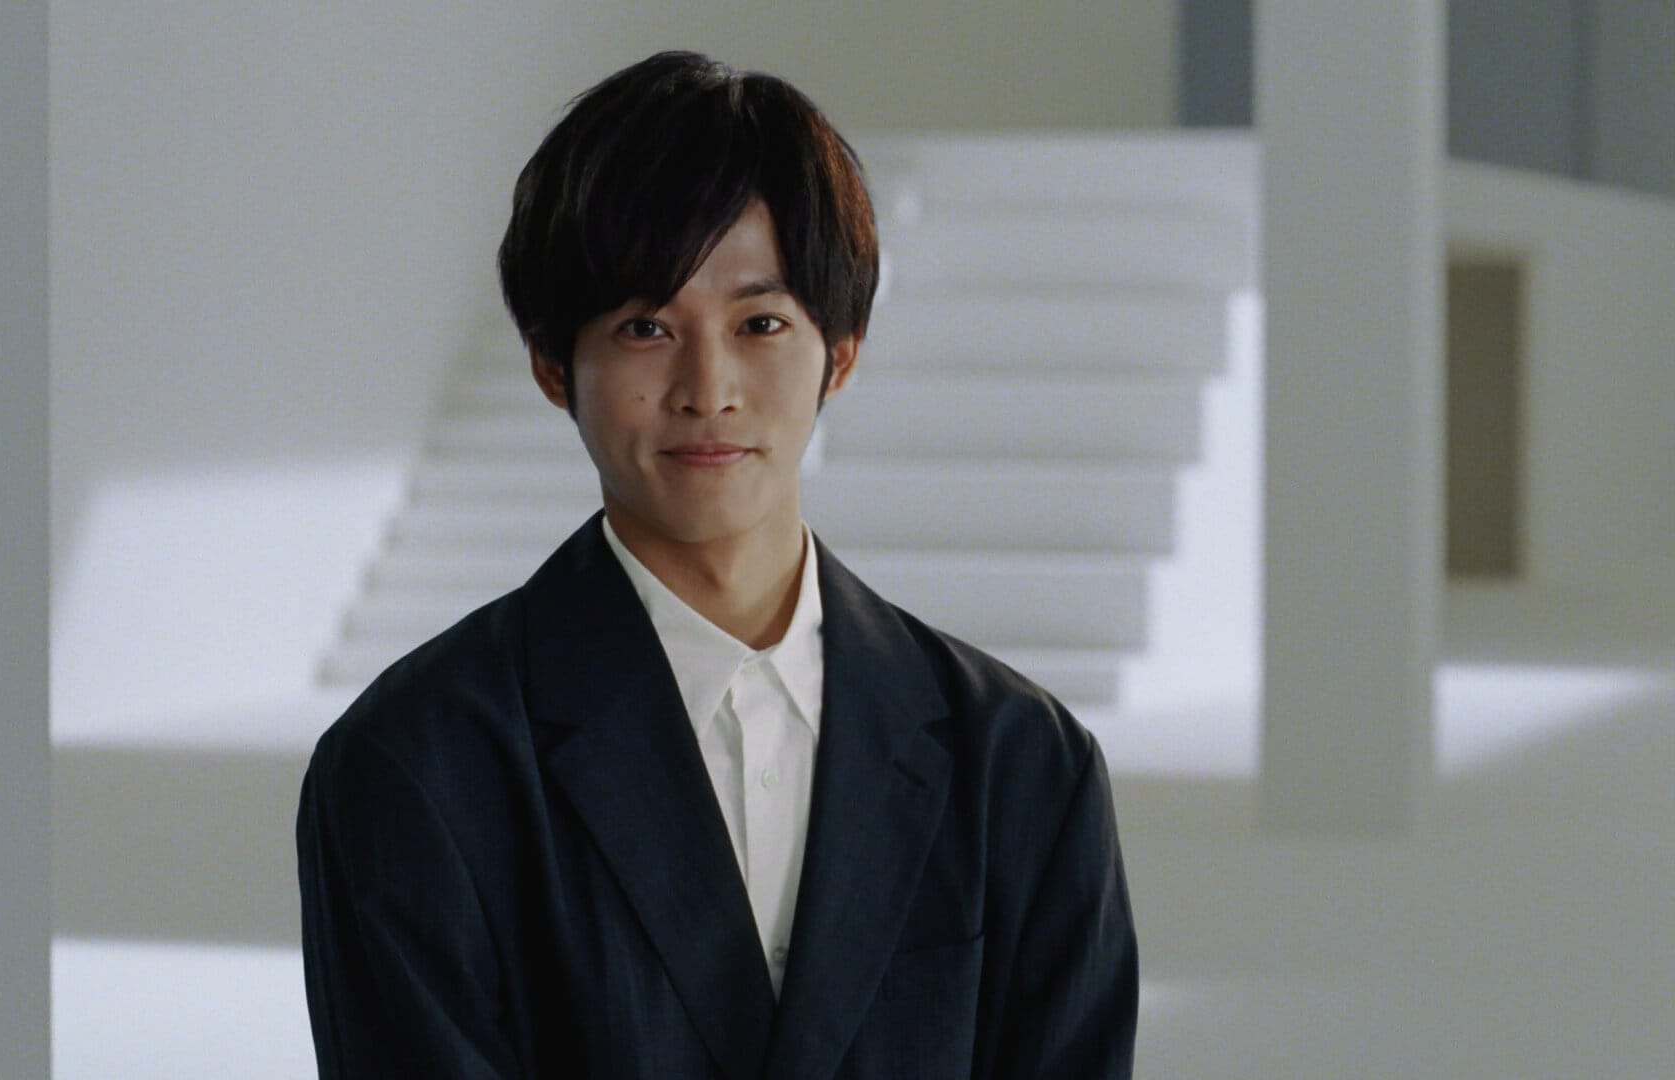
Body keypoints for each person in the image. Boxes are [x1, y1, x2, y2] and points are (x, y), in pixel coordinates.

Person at [297, 50, 1138, 1078]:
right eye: (646, 326)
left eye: (761, 324)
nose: (709, 387)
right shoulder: (415, 764)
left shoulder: (1021, 763)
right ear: (555, 366)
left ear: (841, 352)